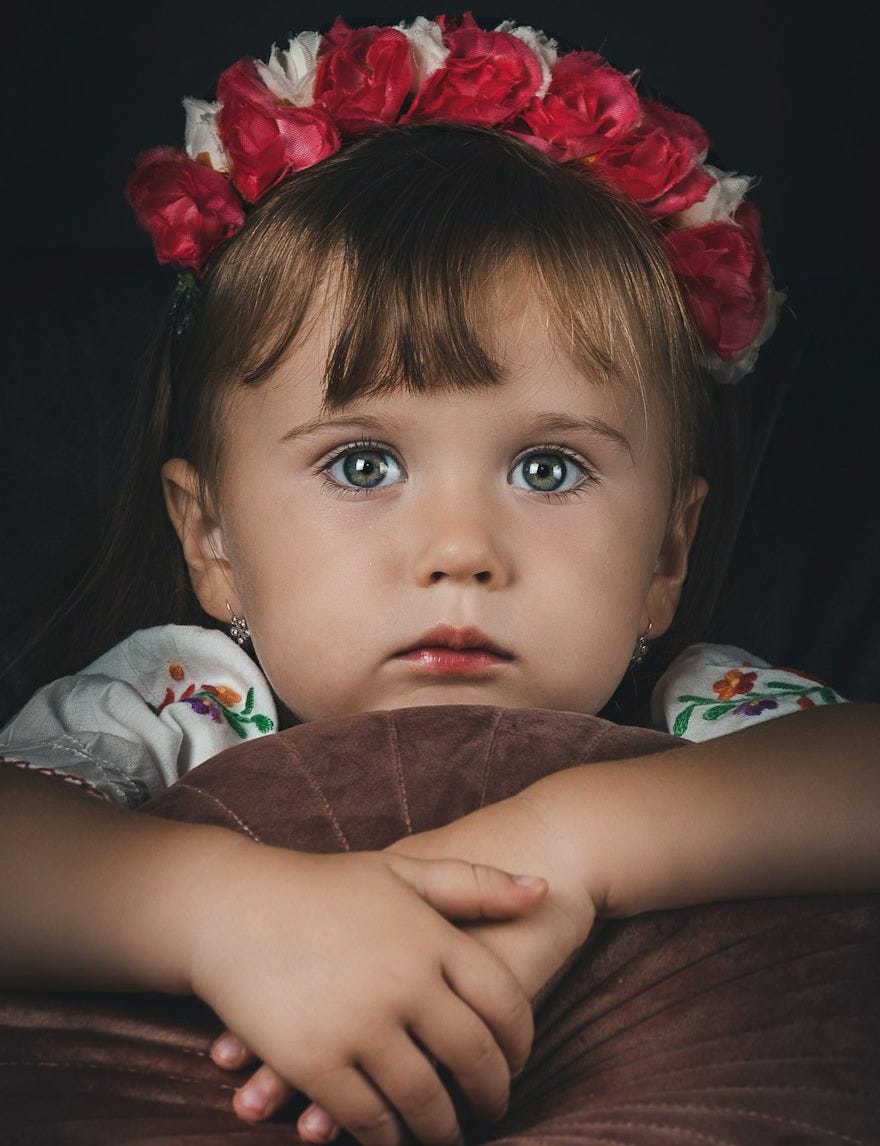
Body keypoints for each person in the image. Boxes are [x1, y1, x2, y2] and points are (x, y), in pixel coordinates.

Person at [1, 14, 878, 1146]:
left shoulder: (689, 709)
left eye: (547, 467)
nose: (459, 549)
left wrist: (570, 843)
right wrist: (216, 908)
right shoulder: (186, 700)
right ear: (211, 540)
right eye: (362, 463)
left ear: (666, 556)